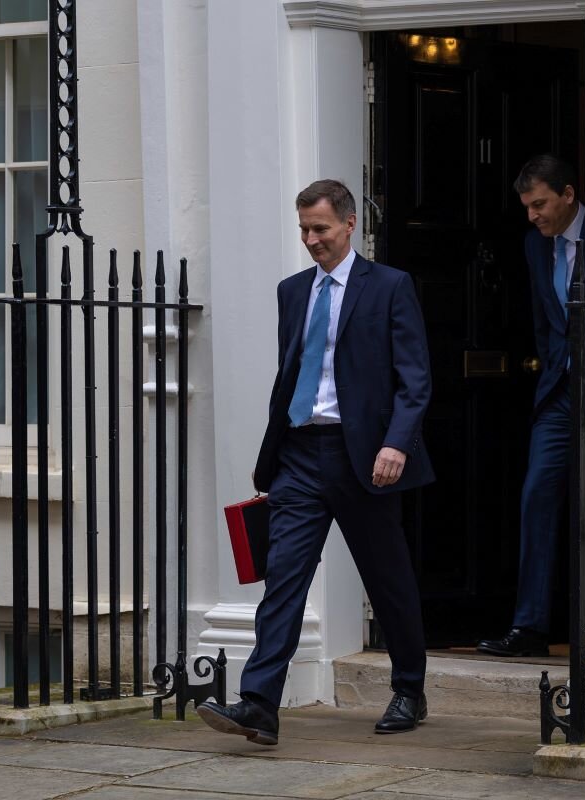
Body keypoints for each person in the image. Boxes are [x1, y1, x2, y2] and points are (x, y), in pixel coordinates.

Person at [197, 179, 434, 745]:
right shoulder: (292, 290)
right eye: (304, 229)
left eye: (321, 229)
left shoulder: (391, 287)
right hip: (300, 455)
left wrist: (396, 443)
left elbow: (415, 378)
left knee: (388, 577)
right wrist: (275, 450)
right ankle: (259, 705)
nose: (311, 240)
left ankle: (409, 688)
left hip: (366, 458)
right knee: (283, 580)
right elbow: (292, 373)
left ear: (349, 224)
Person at [477, 154, 585, 658]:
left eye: (539, 204)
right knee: (537, 495)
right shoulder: (533, 245)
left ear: (568, 195)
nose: (532, 215)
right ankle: (530, 627)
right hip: (560, 394)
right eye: (526, 206)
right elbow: (547, 324)